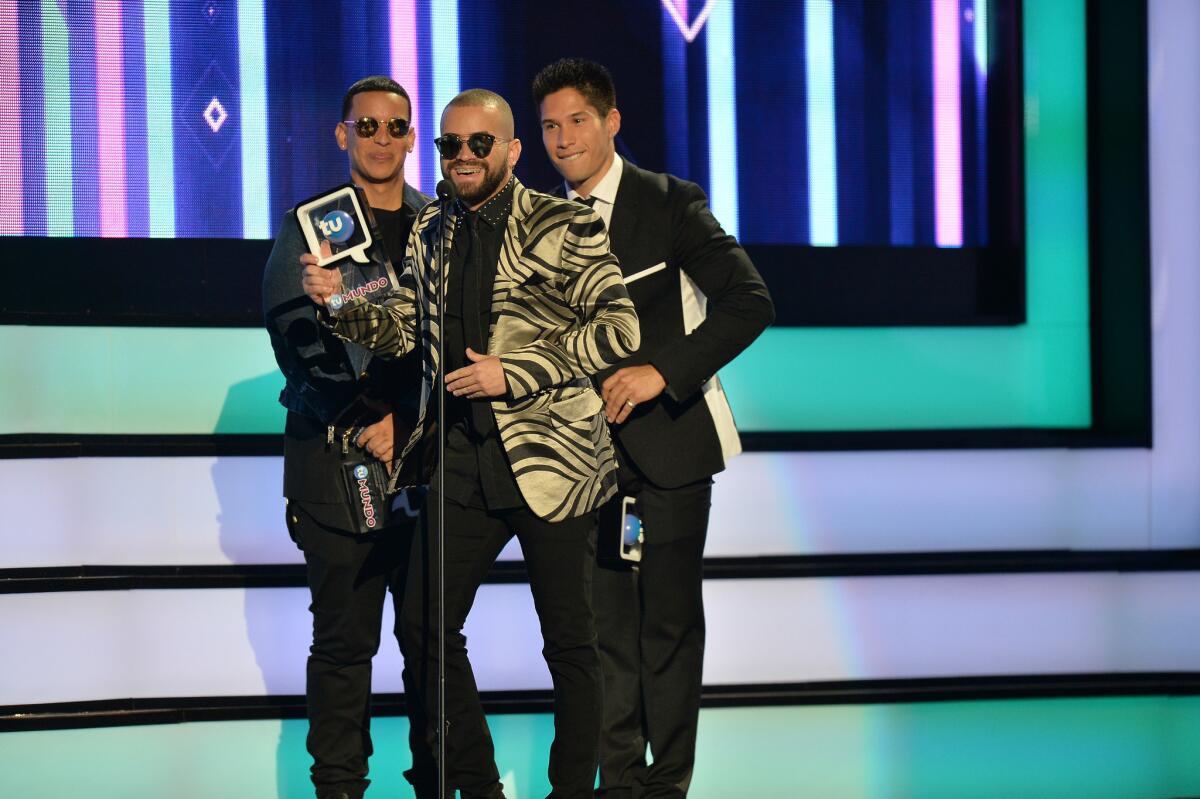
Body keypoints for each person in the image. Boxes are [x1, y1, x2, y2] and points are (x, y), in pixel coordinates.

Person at [301, 88, 640, 799]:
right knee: (424, 627)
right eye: (448, 145)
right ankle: (476, 784)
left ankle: (572, 790)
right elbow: (400, 330)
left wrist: (511, 371)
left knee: (570, 645)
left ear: (512, 151)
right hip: (461, 461)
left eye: (477, 144)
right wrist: (341, 302)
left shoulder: (561, 222)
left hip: (555, 464)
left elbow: (618, 330)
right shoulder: (431, 232)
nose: (460, 157)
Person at [532, 58, 775, 799]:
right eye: (549, 125)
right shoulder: (539, 222)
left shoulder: (668, 203)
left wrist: (661, 372)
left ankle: (667, 787)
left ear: (612, 122)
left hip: (668, 453)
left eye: (578, 120)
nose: (564, 137)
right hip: (586, 464)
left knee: (667, 632)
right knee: (604, 636)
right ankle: (621, 785)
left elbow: (748, 301)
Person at [262, 75, 434, 799]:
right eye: (368, 127)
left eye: (396, 127)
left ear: (411, 136)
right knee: (343, 647)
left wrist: (409, 421)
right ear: (343, 135)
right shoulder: (313, 224)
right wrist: (368, 417)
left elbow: (455, 340)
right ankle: (339, 789)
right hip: (337, 475)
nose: (382, 140)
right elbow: (293, 337)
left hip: (425, 469)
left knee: (433, 647)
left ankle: (441, 782)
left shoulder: (441, 224)